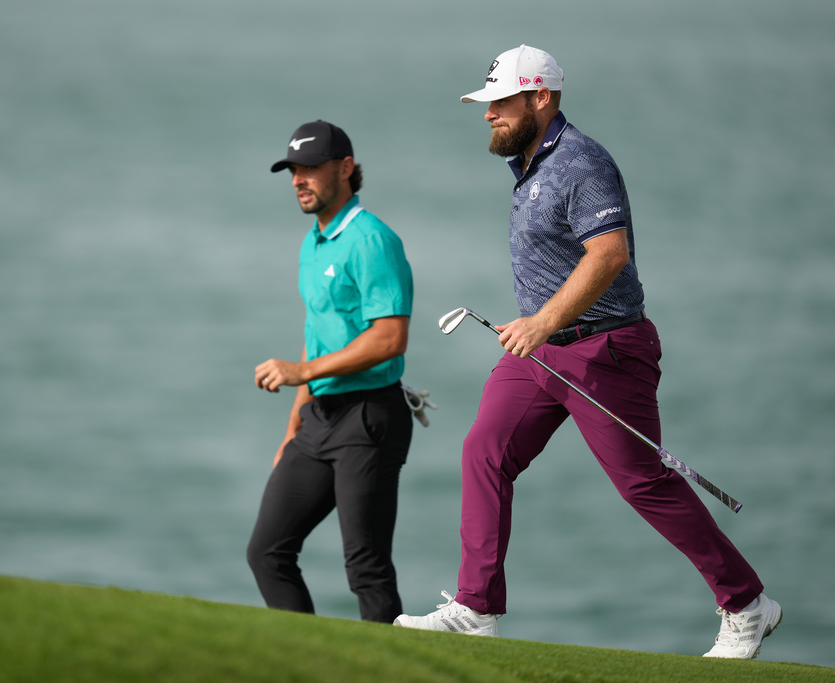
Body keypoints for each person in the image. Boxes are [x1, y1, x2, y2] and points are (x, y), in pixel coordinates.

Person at [393, 45, 781, 659]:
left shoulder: (580, 162)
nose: (489, 114)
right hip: (544, 352)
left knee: (642, 483)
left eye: (500, 103)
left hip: (606, 350)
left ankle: (747, 605)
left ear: (540, 97)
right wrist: (541, 330)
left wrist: (542, 321)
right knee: (484, 452)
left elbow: (610, 254)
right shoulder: (527, 162)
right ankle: (475, 608)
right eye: (487, 104)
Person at [247, 120, 416, 623]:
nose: (300, 179)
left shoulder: (372, 240)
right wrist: (294, 425)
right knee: (267, 551)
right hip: (319, 418)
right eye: (293, 170)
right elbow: (318, 333)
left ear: (345, 169)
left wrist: (301, 372)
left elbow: (390, 337)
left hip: (369, 418)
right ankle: (307, 662)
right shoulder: (313, 242)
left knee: (366, 568)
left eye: (311, 169)